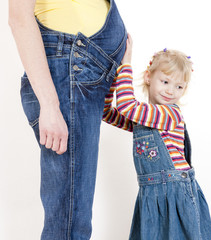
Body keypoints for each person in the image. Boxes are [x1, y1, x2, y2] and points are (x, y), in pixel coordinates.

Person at [9, 0, 127, 239]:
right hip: (67, 75)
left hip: (79, 74)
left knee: (74, 216)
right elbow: (18, 17)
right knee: (70, 221)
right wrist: (50, 105)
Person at [102, 34, 211, 240]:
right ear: (148, 77)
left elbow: (127, 106)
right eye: (165, 81)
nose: (171, 91)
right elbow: (106, 112)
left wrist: (125, 64)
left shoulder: (169, 114)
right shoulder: (144, 118)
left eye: (179, 86)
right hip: (151, 196)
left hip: (175, 193)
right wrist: (114, 75)